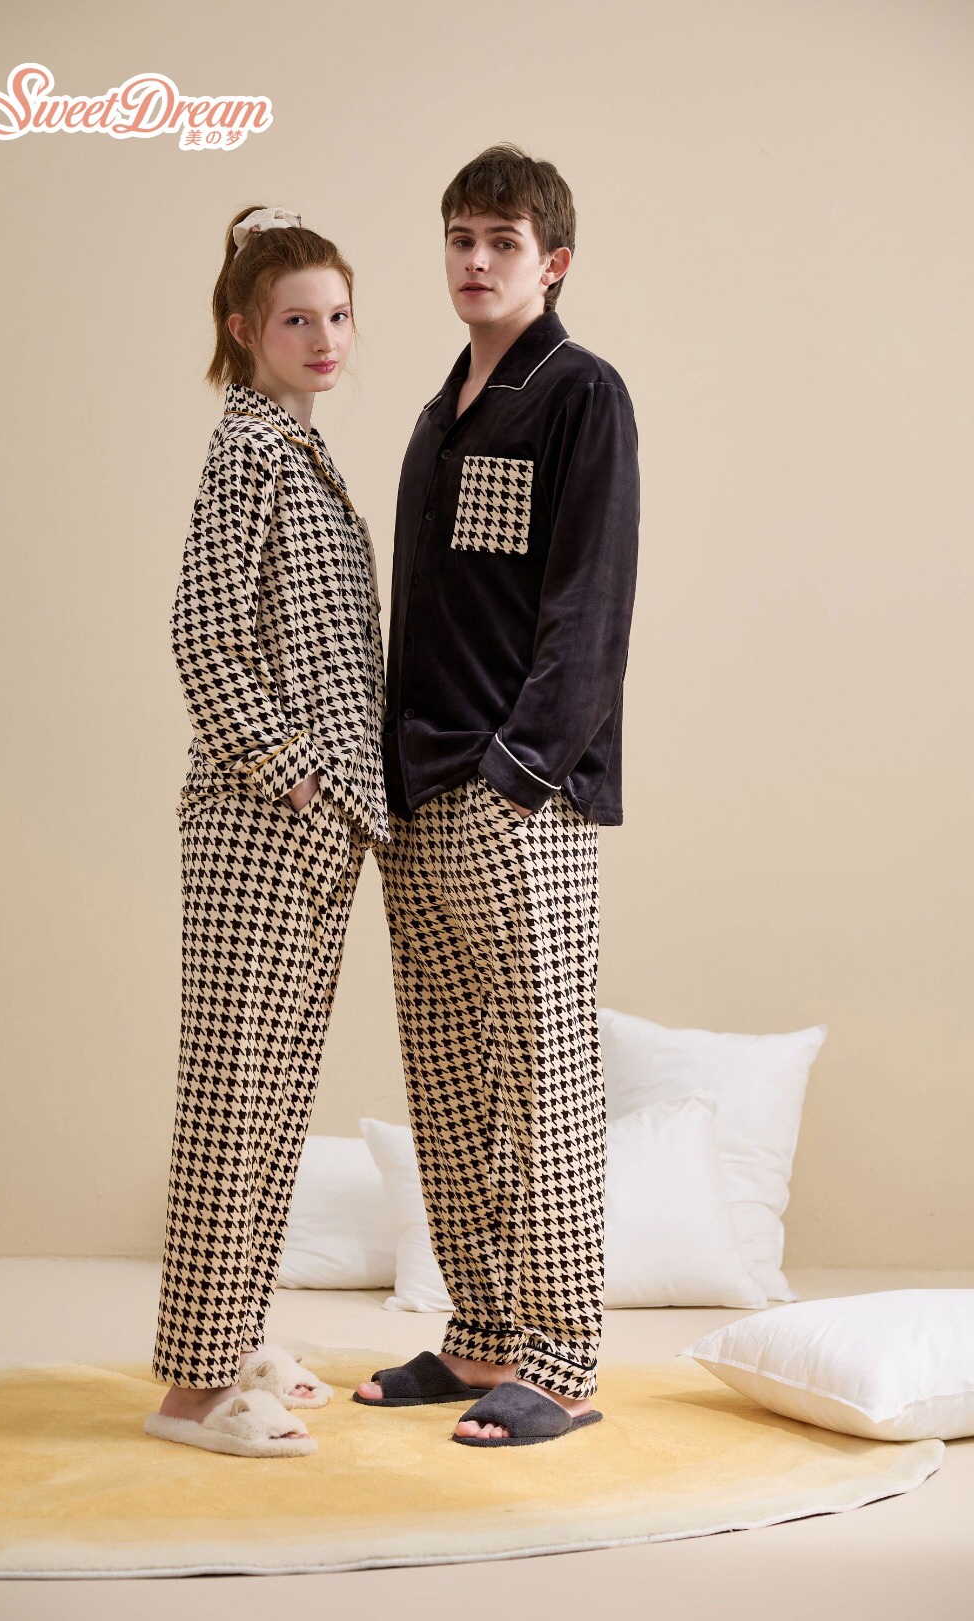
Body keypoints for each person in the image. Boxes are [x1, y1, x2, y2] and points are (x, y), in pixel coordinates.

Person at [355, 145, 640, 1447]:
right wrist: (402, 780)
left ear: (552, 262)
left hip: (520, 800)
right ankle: (479, 1337)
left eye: (503, 242)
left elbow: (590, 606)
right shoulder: (437, 416)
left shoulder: (580, 395)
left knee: (545, 1085)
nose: (476, 260)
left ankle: (562, 1363)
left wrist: (516, 777)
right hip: (418, 797)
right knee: (452, 1085)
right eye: (461, 237)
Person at [145, 205, 390, 1459]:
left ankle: (231, 1339)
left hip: (314, 825)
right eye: (299, 319)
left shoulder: (298, 445)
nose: (325, 337)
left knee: (275, 1094)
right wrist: (299, 779)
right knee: (235, 1099)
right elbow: (202, 634)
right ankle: (191, 1394)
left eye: (339, 315)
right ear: (245, 330)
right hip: (262, 823)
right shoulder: (247, 445)